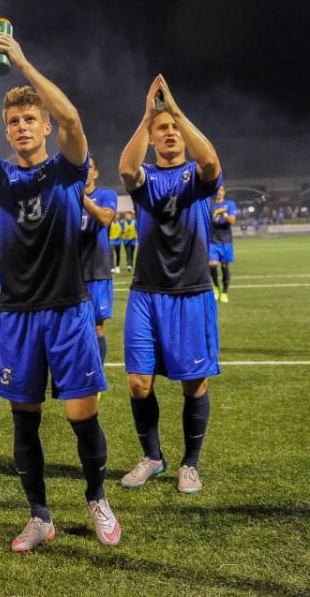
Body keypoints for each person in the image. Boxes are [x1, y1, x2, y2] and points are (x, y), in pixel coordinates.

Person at [0, 29, 119, 551]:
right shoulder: (1, 179)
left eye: (30, 119)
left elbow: (72, 121)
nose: (22, 126)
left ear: (43, 126)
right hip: (20, 315)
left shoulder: (67, 172)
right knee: (23, 420)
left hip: (69, 310)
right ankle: (39, 515)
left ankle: (96, 496)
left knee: (81, 415)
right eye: (14, 122)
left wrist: (23, 63)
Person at [118, 74, 221, 495]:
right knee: (138, 383)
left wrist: (175, 111)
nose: (171, 133)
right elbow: (126, 168)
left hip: (192, 292)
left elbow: (212, 162)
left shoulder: (197, 177)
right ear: (153, 138)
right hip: (146, 293)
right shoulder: (145, 180)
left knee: (194, 383)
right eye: (164, 130)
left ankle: (189, 464)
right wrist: (148, 116)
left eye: (175, 128)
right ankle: (152, 457)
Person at [80, 156, 118, 364]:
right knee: (71, 326)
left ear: (96, 173)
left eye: (89, 168)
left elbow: (104, 218)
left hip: (97, 270)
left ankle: (97, 374)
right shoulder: (67, 198)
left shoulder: (106, 195)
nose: (85, 171)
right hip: (71, 273)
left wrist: (81, 197)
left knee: (97, 326)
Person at [209, 185, 236, 303]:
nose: (219, 193)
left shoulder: (230, 204)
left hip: (226, 240)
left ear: (224, 192)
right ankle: (216, 287)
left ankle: (224, 292)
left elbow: (232, 221)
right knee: (212, 265)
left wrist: (224, 214)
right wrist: (216, 212)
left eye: (221, 190)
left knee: (225, 266)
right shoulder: (210, 204)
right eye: (217, 190)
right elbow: (206, 220)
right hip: (212, 240)